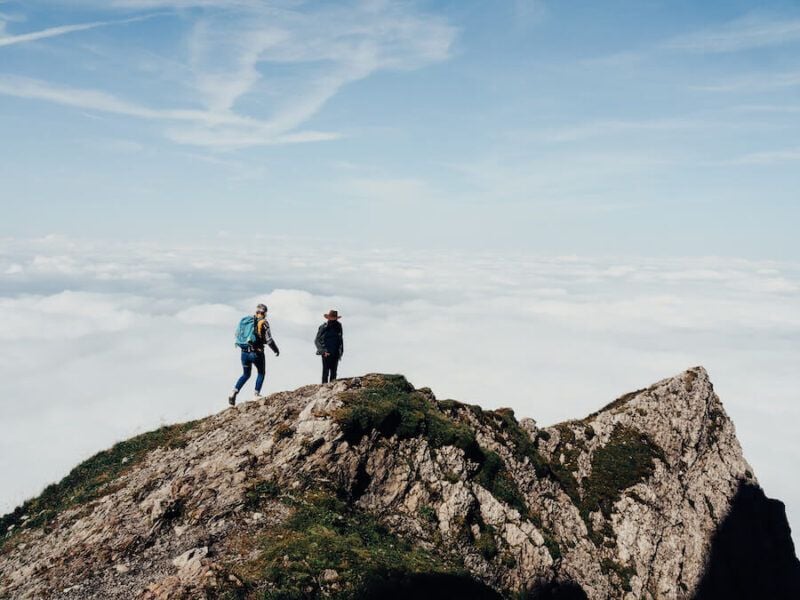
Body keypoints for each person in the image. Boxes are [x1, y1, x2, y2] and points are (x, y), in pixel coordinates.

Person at [229, 303, 279, 406]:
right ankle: (256, 394)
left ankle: (234, 391)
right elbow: (269, 340)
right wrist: (276, 350)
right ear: (264, 313)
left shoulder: (247, 320)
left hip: (244, 352)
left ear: (256, 311)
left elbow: (237, 334)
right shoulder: (263, 323)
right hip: (256, 352)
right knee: (261, 372)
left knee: (246, 374)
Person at [315, 309, 343, 384]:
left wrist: (340, 352)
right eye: (331, 319)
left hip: (335, 353)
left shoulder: (339, 326)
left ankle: (332, 389)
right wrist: (323, 351)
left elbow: (340, 340)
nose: (333, 321)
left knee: (334, 373)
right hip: (326, 353)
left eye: (334, 319)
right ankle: (324, 389)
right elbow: (317, 340)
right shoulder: (323, 327)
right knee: (325, 373)